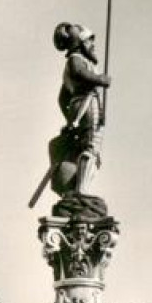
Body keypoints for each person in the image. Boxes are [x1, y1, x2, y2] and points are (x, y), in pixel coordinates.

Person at [51, 22, 111, 195]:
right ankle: (82, 192)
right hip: (87, 103)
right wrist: (99, 79)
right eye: (90, 41)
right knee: (92, 147)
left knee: (86, 146)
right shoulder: (76, 59)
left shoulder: (74, 61)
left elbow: (62, 99)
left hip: (79, 107)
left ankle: (79, 190)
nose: (93, 46)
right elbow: (79, 72)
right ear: (82, 42)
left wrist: (71, 119)